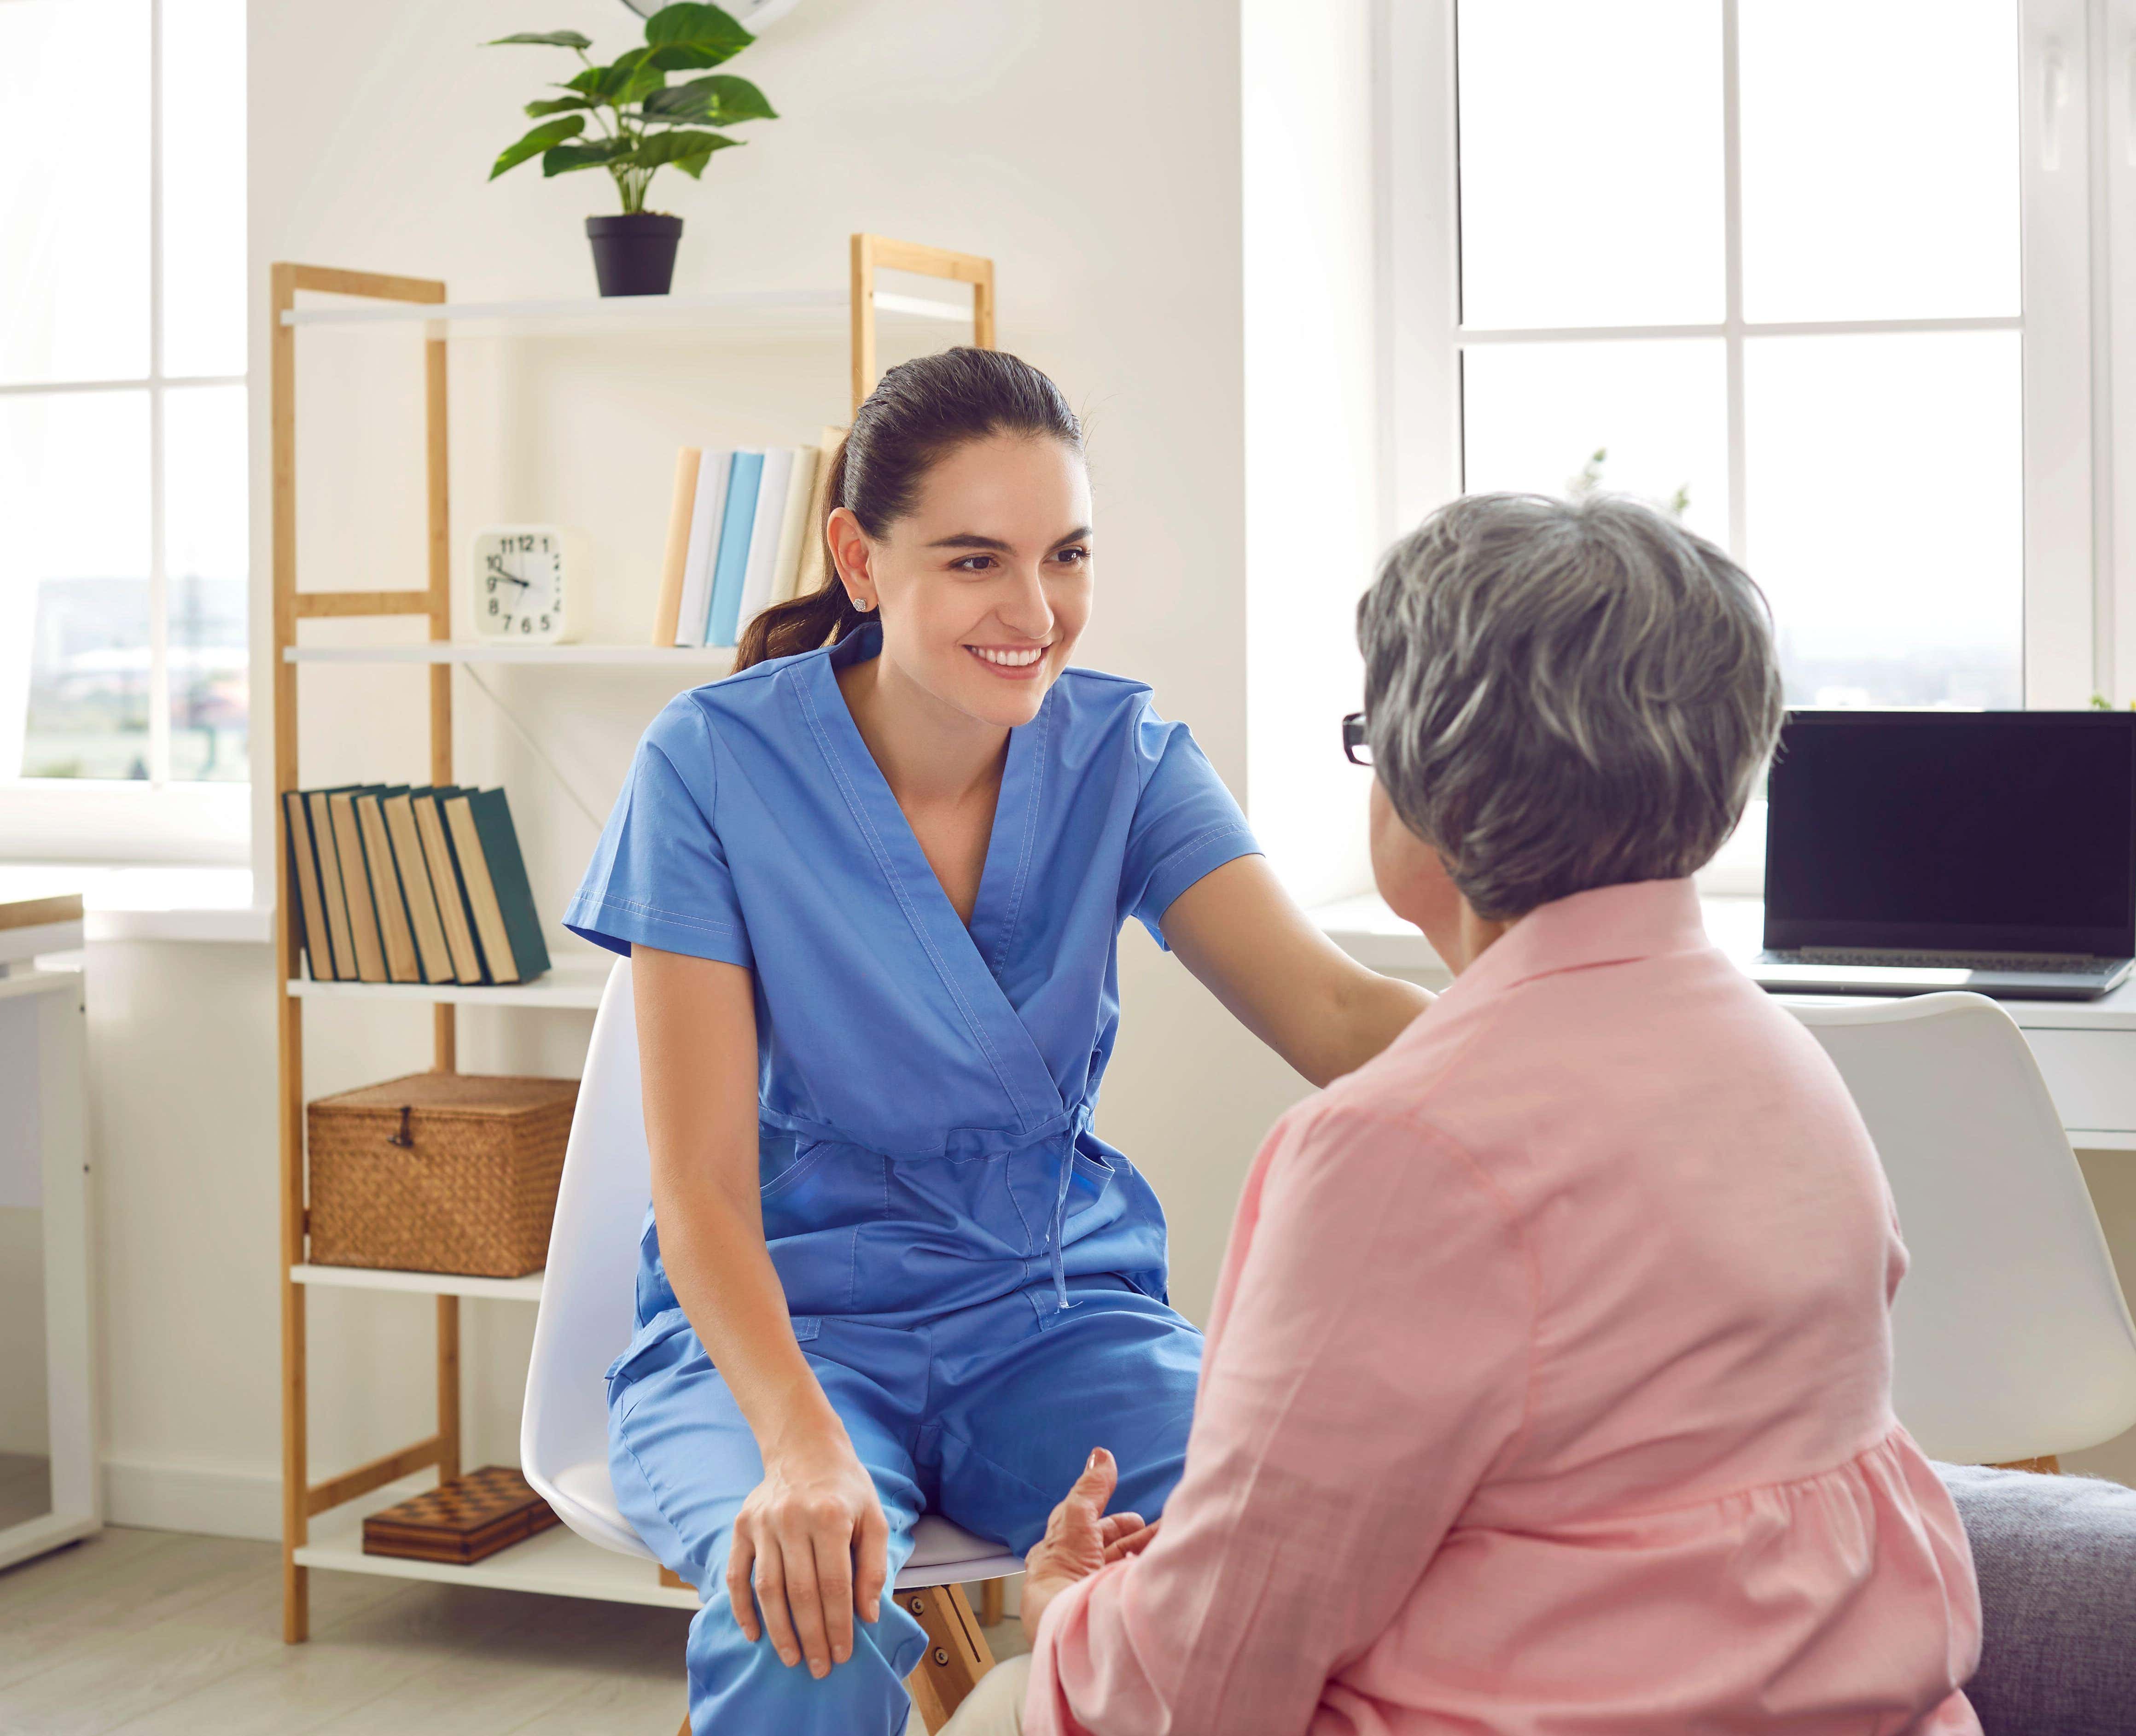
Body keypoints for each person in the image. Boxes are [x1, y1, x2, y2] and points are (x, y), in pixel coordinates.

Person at [948, 492, 1984, 1735]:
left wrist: (1067, 1609)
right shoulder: (1788, 1067)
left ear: (1428, 783)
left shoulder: (1399, 1148)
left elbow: (1204, 1686)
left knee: (1013, 1697)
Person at [564, 347, 1432, 1735]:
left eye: (1066, 555)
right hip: (784, 1334)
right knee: (807, 1613)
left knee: (1305, 1525)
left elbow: (1331, 1012)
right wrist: (798, 1447)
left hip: (1053, 1321)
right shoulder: (710, 763)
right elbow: (705, 1190)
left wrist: (1591, 1055)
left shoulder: (1127, 756)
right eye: (975, 561)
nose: (1036, 611)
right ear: (859, 556)